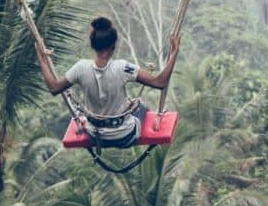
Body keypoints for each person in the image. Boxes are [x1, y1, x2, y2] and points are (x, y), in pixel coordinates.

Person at [37, 17, 180, 147]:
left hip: (95, 136)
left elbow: (54, 87)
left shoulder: (80, 68)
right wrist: (174, 52)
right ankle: (150, 122)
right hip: (125, 136)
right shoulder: (123, 68)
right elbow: (160, 82)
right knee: (139, 106)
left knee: (130, 106)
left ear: (93, 45)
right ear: (113, 47)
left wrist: (41, 58)